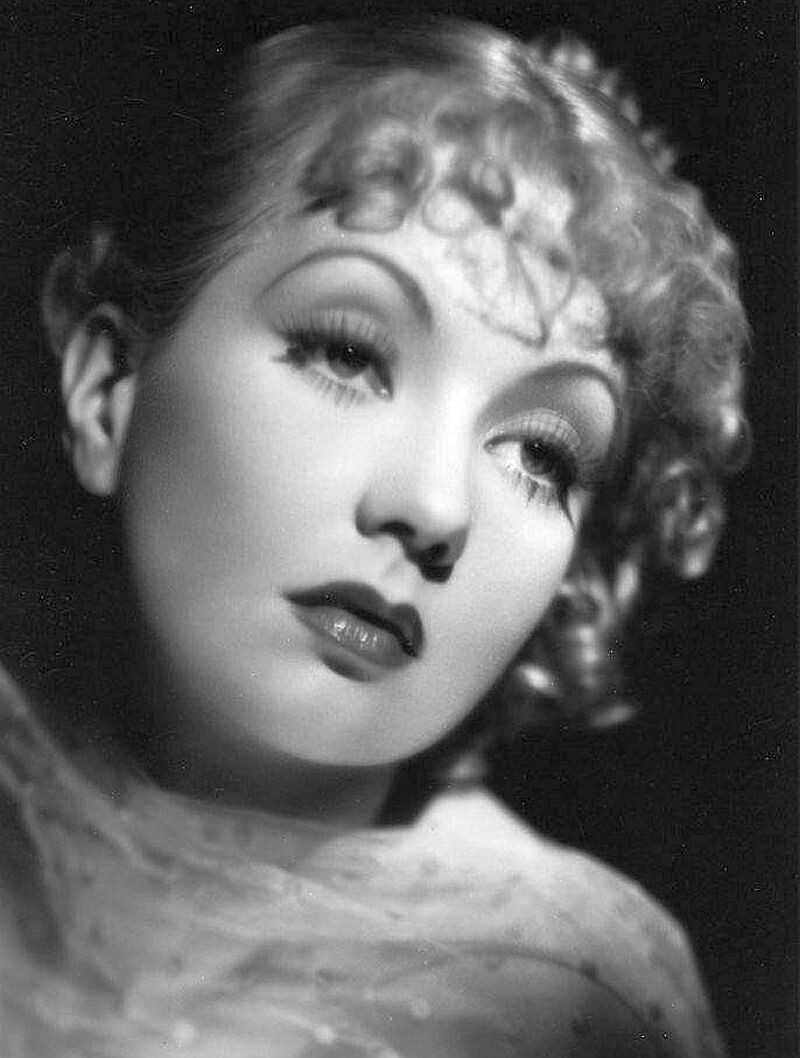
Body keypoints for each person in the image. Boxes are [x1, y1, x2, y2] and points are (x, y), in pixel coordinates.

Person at [0, 15, 749, 1057]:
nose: (435, 508)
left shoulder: (569, 1001)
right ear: (107, 389)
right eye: (348, 356)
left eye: (541, 455)